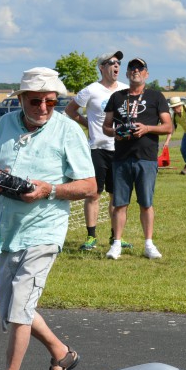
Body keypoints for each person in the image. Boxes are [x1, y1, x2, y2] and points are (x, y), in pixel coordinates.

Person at [0, 68, 96, 370]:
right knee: (14, 308)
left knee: (19, 309)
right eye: (36, 101)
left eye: (51, 101)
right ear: (21, 99)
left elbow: (90, 185)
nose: (43, 107)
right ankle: (62, 353)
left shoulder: (68, 130)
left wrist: (49, 190)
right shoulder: (3, 124)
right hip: (8, 231)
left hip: (44, 230)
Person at [102, 57, 173, 260]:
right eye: (132, 68)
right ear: (127, 74)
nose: (136, 71)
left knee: (146, 203)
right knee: (119, 203)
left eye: (140, 68)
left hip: (146, 157)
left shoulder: (156, 96)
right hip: (121, 157)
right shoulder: (117, 97)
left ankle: (149, 244)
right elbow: (106, 127)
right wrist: (116, 132)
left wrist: (147, 128)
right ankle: (116, 244)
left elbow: (168, 126)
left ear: (146, 74)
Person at [65, 50, 128, 251]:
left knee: (117, 195)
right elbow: (70, 110)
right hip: (97, 149)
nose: (116, 65)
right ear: (102, 67)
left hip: (120, 149)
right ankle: (91, 237)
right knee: (93, 193)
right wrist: (89, 125)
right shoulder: (91, 90)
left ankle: (116, 237)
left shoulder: (126, 90)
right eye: (111, 62)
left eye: (118, 63)